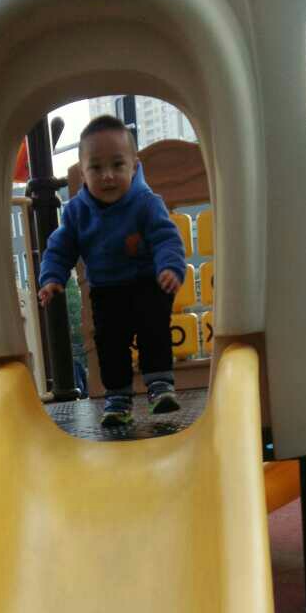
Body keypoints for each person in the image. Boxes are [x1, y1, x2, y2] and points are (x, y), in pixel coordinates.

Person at [38, 115, 186, 427]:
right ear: (83, 172)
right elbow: (60, 247)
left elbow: (165, 238)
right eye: (96, 168)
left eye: (117, 165)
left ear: (134, 165)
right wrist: (52, 277)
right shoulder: (77, 212)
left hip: (149, 283)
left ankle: (160, 384)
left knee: (154, 329)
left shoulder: (146, 203)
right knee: (109, 344)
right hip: (106, 291)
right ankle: (118, 398)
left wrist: (170, 267)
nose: (107, 176)